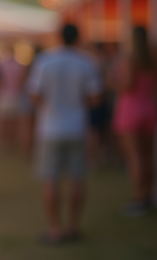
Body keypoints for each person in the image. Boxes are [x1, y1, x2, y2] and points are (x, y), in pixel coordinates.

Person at [26, 24, 102, 244]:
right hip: (77, 127)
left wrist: (51, 107)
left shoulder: (45, 61)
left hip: (50, 128)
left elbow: (33, 96)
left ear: (58, 37)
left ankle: (54, 229)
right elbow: (95, 98)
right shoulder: (87, 61)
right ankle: (73, 227)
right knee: (77, 177)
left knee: (50, 179)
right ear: (78, 37)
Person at [111, 26, 157, 216]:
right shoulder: (154, 58)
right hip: (150, 108)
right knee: (148, 156)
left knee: (135, 157)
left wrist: (112, 81)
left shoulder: (130, 58)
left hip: (130, 110)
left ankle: (139, 198)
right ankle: (147, 194)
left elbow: (128, 85)